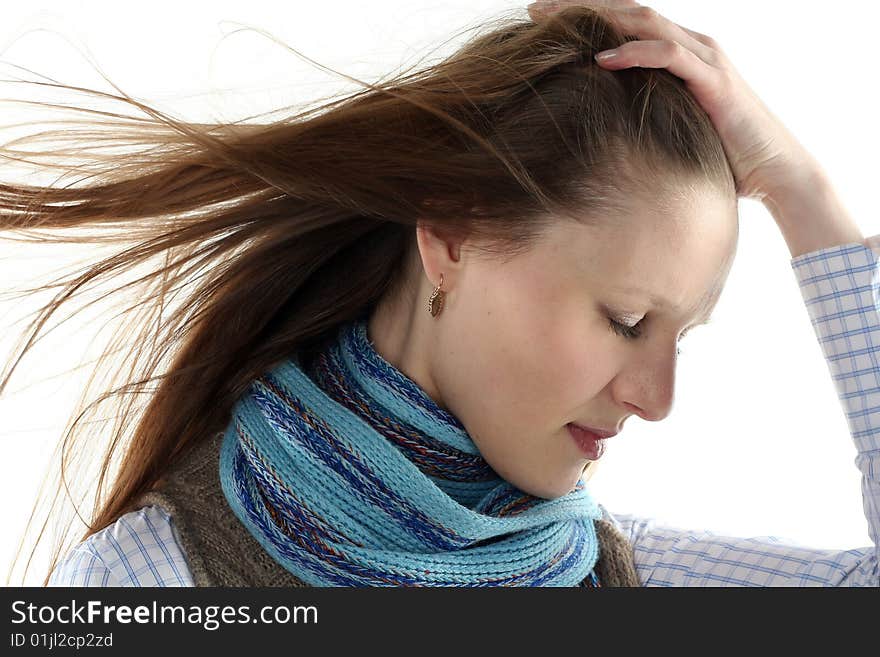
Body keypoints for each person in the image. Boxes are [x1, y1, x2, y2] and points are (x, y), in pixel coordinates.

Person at [7, 1, 876, 586]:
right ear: (452, 235)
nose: (657, 399)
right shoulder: (157, 578)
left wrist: (801, 189)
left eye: (677, 339)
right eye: (628, 320)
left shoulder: (623, 577)